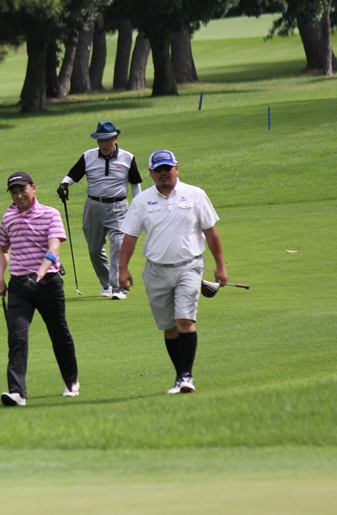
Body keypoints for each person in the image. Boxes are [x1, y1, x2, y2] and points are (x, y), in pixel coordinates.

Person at [118, 150, 228, 394]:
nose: (164, 173)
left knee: (184, 320)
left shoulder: (195, 195)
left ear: (176, 168)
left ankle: (187, 376)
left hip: (189, 266)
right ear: (150, 173)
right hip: (156, 270)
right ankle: (180, 377)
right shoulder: (142, 201)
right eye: (158, 170)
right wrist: (122, 269)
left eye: (167, 168)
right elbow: (130, 236)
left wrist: (220, 266)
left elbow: (211, 232)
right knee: (169, 327)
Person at [0, 171, 80, 406]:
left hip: (48, 283)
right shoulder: (8, 218)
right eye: (14, 192)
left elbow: (54, 248)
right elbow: (3, 250)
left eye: (22, 190)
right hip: (19, 285)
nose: (18, 195)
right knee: (17, 336)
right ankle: (17, 392)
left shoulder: (50, 214)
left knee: (59, 333)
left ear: (33, 188)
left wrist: (39, 274)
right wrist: (0, 278)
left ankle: (71, 381)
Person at [57, 121, 143, 300]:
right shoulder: (88, 157)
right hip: (93, 207)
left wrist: (139, 207)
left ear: (115, 139)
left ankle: (119, 288)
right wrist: (64, 184)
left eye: (107, 140)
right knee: (94, 250)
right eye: (100, 141)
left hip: (118, 207)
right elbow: (73, 175)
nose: (103, 144)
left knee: (118, 245)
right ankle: (106, 283)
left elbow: (135, 184)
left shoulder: (127, 158)